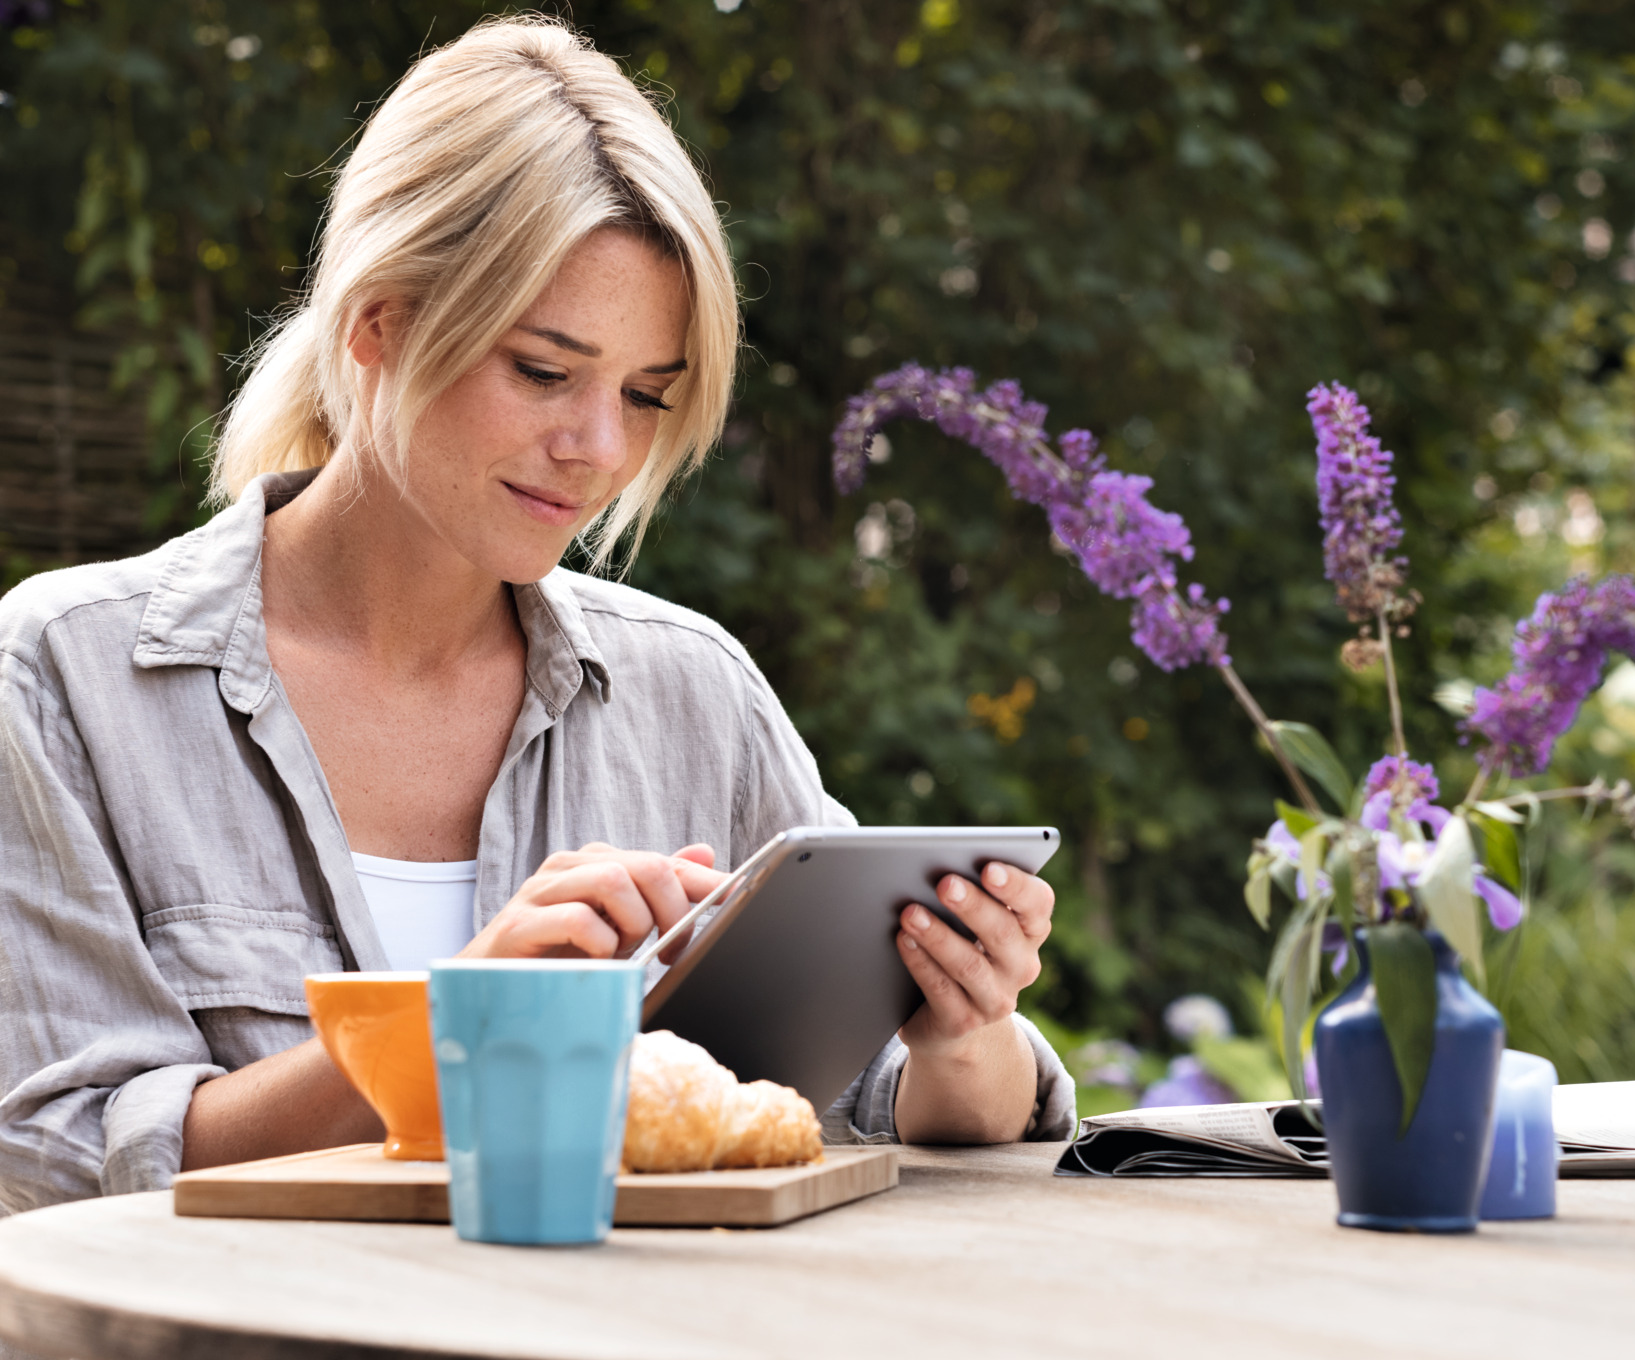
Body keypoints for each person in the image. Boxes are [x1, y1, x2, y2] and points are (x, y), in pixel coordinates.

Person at [0, 15, 1073, 1213]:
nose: (599, 449)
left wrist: (960, 1026)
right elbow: (57, 1164)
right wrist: (469, 1021)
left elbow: (904, 1106)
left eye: (646, 394)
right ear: (381, 322)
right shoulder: (65, 676)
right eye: (545, 371)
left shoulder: (692, 692)